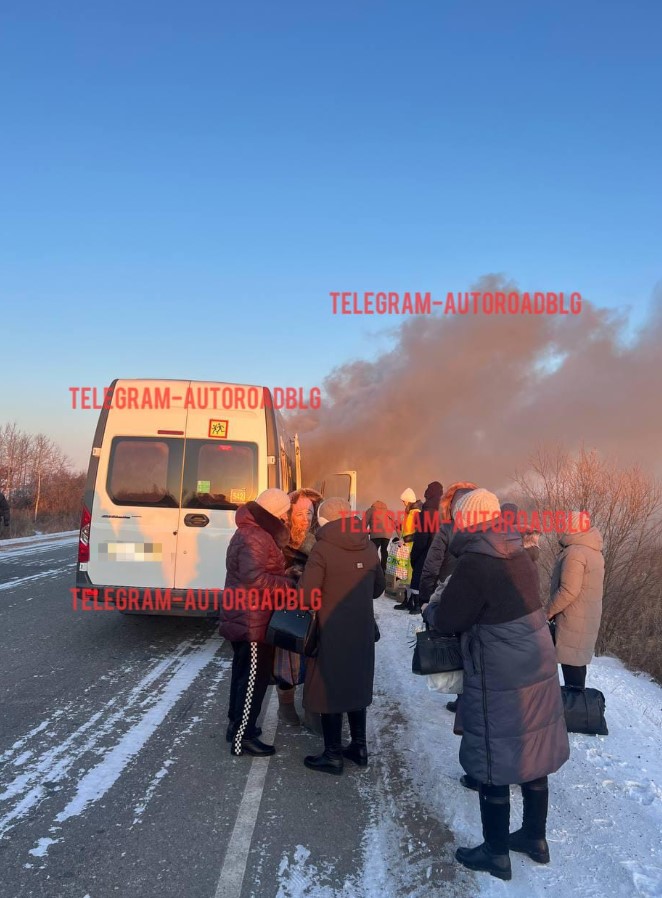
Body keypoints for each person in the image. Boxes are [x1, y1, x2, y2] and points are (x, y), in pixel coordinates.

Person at [423, 488, 569, 880]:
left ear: (467, 520)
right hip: (534, 658)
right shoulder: (515, 549)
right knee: (533, 746)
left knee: (492, 754)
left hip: (500, 667)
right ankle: (534, 839)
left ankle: (496, 852)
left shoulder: (477, 560)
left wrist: (430, 608)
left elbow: (451, 618)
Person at [300, 497, 385, 775]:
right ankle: (359, 747)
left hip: (331, 629)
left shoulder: (322, 549)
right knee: (356, 685)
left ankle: (333, 754)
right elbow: (377, 589)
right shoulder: (370, 545)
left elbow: (306, 596)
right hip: (361, 629)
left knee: (330, 688)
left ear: (324, 521)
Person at [219, 488, 295, 757]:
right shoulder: (256, 536)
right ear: (274, 511)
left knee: (243, 675)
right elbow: (256, 580)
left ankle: (236, 725)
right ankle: (244, 738)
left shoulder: (249, 531)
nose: (286, 516)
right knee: (254, 679)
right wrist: (289, 583)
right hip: (252, 619)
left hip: (246, 616)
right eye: (284, 511)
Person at [417, 481, 477, 709]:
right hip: (478, 598)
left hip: (448, 595)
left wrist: (425, 597)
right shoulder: (489, 532)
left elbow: (431, 566)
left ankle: (461, 694)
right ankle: (469, 697)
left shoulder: (446, 530)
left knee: (457, 646)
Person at [276, 488, 322, 729]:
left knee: (315, 660)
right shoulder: (280, 540)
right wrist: (291, 576)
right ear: (290, 514)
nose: (305, 518)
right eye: (300, 512)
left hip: (316, 609)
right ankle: (285, 706)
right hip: (289, 609)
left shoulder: (321, 541)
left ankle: (312, 707)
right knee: (289, 660)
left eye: (310, 512)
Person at [547, 512, 605, 689]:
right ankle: (578, 710)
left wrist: (547, 612)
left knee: (572, 671)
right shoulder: (594, 551)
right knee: (577, 668)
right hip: (585, 619)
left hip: (573, 620)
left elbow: (568, 590)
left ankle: (577, 712)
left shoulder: (575, 552)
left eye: (565, 524)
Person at [406, 480, 444, 614]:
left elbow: (421, 538)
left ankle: (416, 604)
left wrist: (414, 556)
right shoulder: (443, 512)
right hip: (439, 551)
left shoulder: (426, 512)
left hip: (425, 551)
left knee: (418, 575)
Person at [393, 487, 422, 610]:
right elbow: (407, 530)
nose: (403, 502)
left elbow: (418, 533)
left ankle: (412, 602)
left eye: (403, 500)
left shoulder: (416, 513)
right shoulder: (409, 513)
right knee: (404, 575)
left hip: (411, 548)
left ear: (409, 500)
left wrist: (405, 540)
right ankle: (407, 601)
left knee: (410, 576)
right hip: (405, 548)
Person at [365, 499, 392, 575]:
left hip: (375, 534)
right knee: (384, 550)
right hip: (386, 534)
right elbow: (393, 522)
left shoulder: (371, 510)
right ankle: (383, 568)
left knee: (374, 551)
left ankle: (374, 568)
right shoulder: (387, 511)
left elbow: (365, 522)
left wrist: (362, 532)